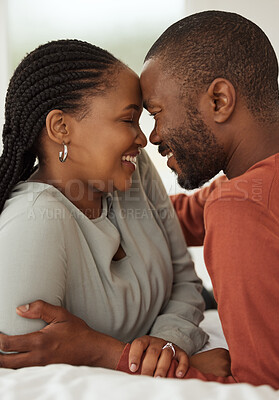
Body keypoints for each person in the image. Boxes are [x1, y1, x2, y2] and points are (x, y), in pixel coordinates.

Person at [0, 39, 209, 377]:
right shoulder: (33, 221)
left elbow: (185, 279)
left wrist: (168, 344)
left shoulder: (132, 171)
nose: (143, 139)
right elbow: (23, 372)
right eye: (128, 120)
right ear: (61, 128)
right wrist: (167, 365)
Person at [116, 10, 279, 389]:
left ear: (219, 100)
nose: (152, 136)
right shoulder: (260, 181)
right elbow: (177, 217)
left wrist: (101, 355)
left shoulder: (243, 208)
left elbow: (271, 390)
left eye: (157, 114)